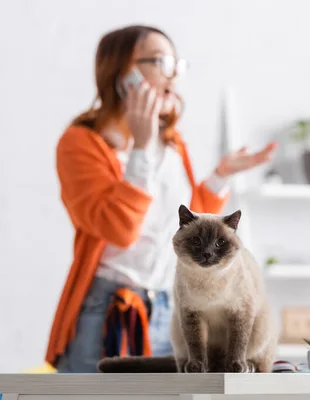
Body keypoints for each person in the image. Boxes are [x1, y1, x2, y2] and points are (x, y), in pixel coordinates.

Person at [45, 24, 277, 373]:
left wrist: (221, 175)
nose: (173, 75)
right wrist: (140, 146)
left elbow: (188, 219)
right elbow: (120, 228)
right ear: (124, 73)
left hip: (172, 305)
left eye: (176, 64)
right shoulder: (80, 143)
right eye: (162, 62)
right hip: (107, 309)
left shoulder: (170, 142)